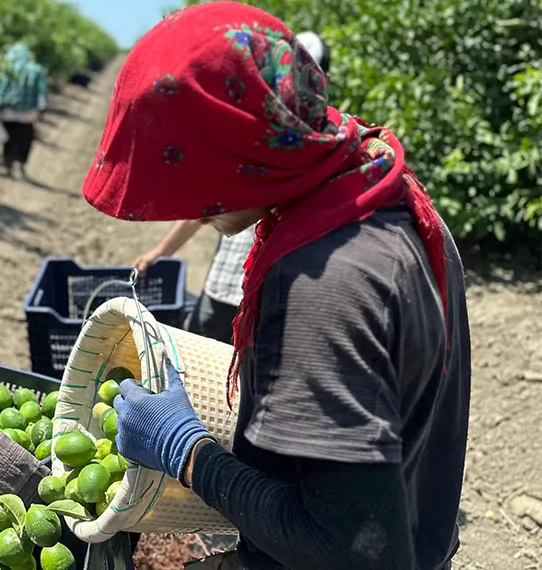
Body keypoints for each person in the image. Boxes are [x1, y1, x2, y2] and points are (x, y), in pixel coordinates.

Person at [85, 3, 470, 570]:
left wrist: (185, 451)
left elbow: (352, 552)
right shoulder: (379, 190)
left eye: (184, 172)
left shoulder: (324, 288)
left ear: (239, 150)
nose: (184, 205)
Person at [131, 31, 330, 346]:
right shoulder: (252, 137)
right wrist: (161, 252)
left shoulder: (317, 152)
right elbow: (208, 207)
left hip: (267, 295)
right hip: (227, 286)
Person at [0, 42, 48, 179]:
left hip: (9, 111)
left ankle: (8, 165)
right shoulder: (36, 70)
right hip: (28, 113)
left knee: (8, 139)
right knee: (25, 138)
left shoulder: (10, 69)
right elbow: (42, 91)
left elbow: (2, 88)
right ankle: (21, 164)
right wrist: (41, 107)